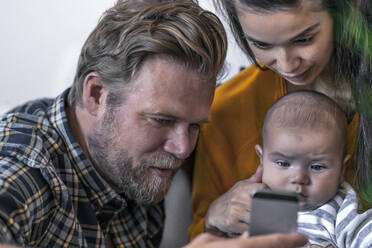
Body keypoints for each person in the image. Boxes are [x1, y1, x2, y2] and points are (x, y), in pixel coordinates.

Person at [0, 0, 227, 246]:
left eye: (195, 126)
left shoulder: (132, 164)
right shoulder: (27, 163)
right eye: (161, 120)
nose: (183, 148)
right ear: (96, 95)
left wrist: (213, 223)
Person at [190, 0, 372, 239]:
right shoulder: (223, 112)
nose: (287, 65)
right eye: (261, 44)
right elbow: (198, 236)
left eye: (304, 39)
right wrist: (215, 217)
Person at [255, 90, 372, 247]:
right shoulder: (253, 201)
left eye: (317, 167)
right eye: (283, 163)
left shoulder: (342, 211)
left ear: (341, 170)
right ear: (261, 159)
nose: (299, 178)